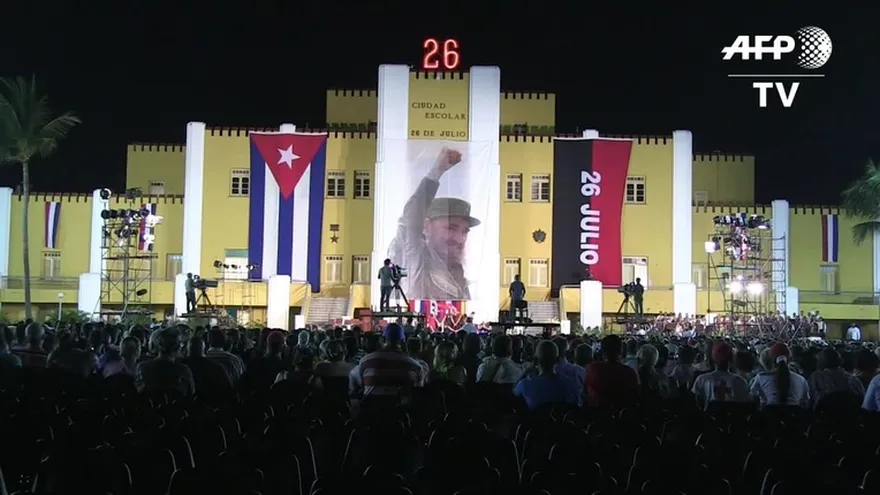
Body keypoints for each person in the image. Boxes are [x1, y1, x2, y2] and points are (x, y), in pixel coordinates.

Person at [387, 147, 480, 300]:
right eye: (451, 228)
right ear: (426, 227)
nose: (459, 239)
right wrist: (437, 172)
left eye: (464, 231)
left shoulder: (458, 274)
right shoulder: (416, 258)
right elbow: (410, 220)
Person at [514, 340, 581, 410]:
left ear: (535, 360)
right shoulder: (571, 385)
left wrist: (527, 371)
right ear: (558, 360)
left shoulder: (524, 385)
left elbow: (513, 393)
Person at [690, 342, 750, 410]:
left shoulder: (702, 379)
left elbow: (697, 404)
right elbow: (745, 404)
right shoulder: (741, 381)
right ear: (732, 359)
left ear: (713, 358)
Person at [585, 334, 640, 408]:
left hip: (595, 416)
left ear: (602, 351)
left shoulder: (592, 369)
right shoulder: (630, 373)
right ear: (621, 350)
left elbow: (585, 393)